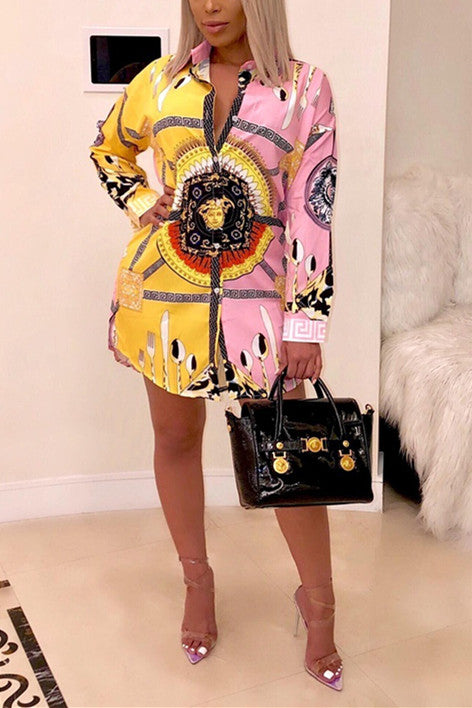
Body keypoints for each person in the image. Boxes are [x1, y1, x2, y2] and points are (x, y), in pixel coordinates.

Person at [89, 0, 341, 691]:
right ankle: (197, 583)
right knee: (175, 440)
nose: (209, 6)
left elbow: (312, 209)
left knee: (288, 457)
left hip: (260, 304)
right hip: (164, 299)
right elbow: (108, 148)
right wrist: (141, 201)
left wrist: (305, 320)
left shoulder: (306, 89)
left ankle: (320, 605)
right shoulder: (160, 80)